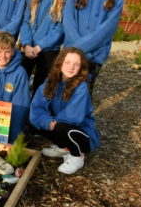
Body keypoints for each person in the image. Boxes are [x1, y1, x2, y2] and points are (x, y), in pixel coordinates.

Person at [29, 47, 99, 175]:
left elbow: (73, 116)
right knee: (36, 123)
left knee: (61, 127)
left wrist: (52, 122)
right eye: (67, 62)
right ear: (60, 63)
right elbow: (36, 108)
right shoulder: (50, 82)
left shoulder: (81, 86)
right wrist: (46, 121)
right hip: (59, 124)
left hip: (82, 133)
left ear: (81, 67)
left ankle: (77, 157)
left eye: (76, 64)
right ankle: (65, 148)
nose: (71, 67)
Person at [63, 0, 124, 92]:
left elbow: (108, 28)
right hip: (72, 50)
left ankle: (83, 115)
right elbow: (68, 20)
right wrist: (76, 49)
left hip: (95, 54)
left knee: (84, 92)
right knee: (65, 90)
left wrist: (83, 50)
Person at [20, 0, 67, 96]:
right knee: (20, 80)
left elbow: (60, 28)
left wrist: (39, 46)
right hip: (29, 47)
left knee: (41, 86)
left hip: (48, 49)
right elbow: (26, 22)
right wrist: (27, 44)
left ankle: (35, 115)